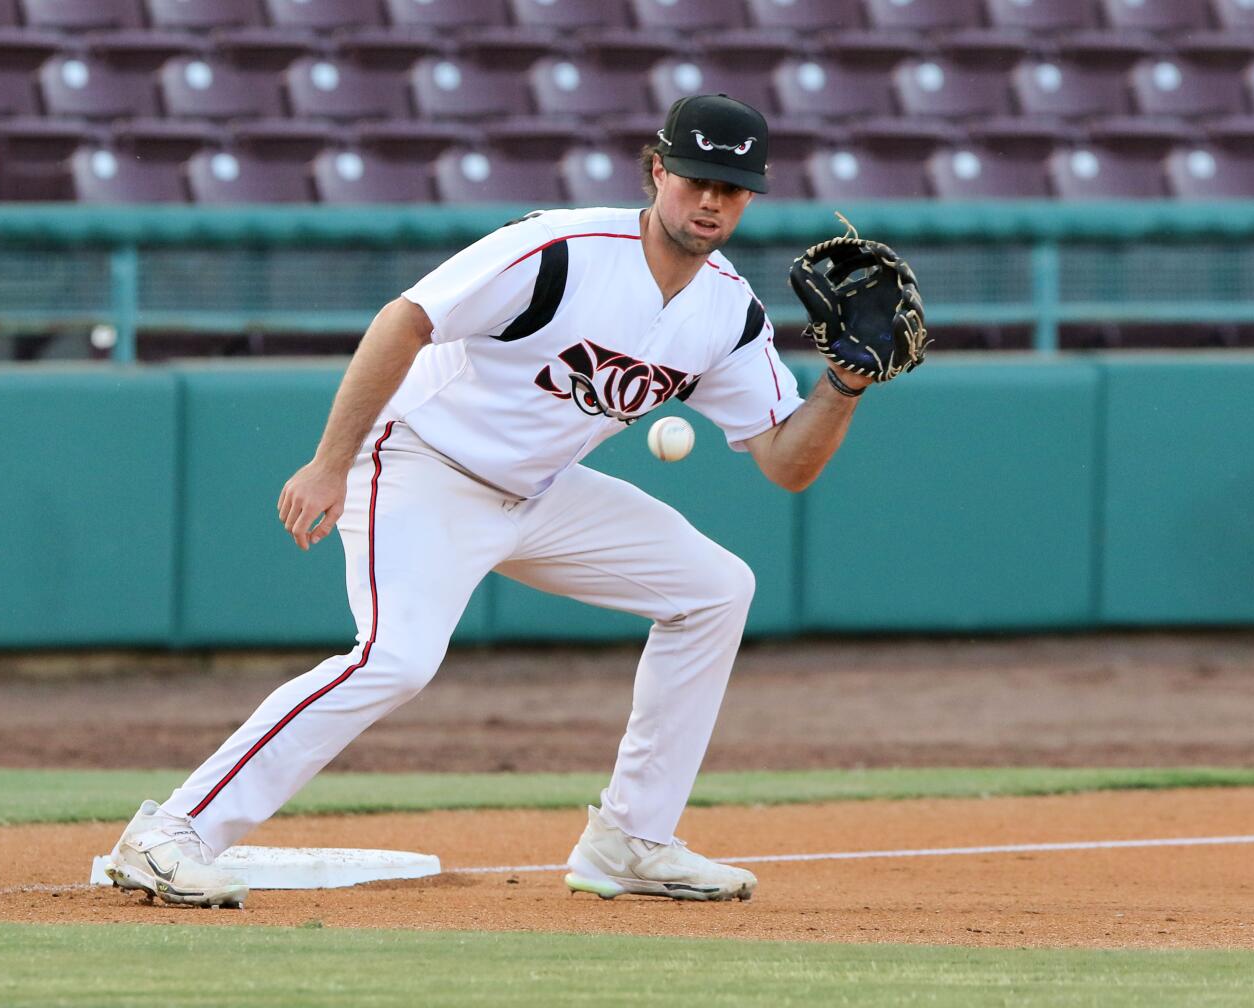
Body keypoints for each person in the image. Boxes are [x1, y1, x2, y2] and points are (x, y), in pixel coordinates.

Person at [106, 94, 876, 908]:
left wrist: (846, 383)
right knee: (395, 659)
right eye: (694, 177)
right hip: (420, 468)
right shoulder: (561, 250)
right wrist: (331, 463)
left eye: (730, 184)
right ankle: (171, 832)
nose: (710, 199)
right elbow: (404, 321)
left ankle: (630, 841)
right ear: (657, 172)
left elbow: (788, 464)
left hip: (540, 492)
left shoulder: (727, 311)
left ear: (752, 194)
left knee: (717, 589)